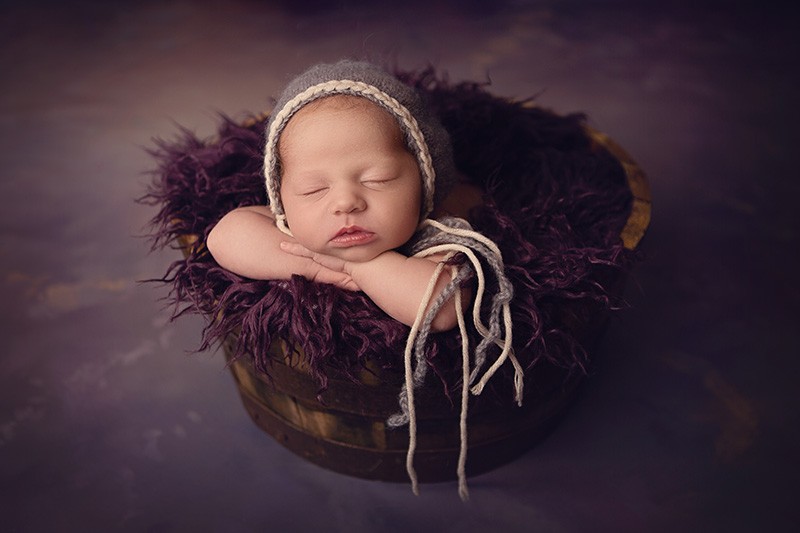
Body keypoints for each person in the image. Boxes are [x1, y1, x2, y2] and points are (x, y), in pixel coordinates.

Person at [206, 60, 522, 500]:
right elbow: (224, 236)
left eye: (378, 179)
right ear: (281, 198)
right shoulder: (288, 225)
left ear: (421, 181)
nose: (345, 202)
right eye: (314, 190)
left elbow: (444, 308)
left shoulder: (437, 230)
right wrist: (318, 264)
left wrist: (360, 266)